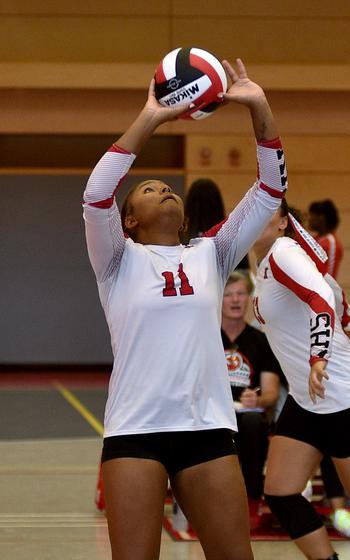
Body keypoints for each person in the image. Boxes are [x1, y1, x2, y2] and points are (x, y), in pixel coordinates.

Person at [83, 58, 287, 560]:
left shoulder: (211, 253)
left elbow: (269, 191)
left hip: (208, 430)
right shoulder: (116, 259)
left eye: (167, 185)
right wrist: (152, 116)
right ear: (129, 220)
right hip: (136, 431)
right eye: (149, 189)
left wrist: (258, 107)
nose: (164, 188)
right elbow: (96, 194)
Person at [252, 198, 350, 560]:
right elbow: (340, 304)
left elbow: (322, 296)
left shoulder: (284, 251)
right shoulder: (262, 267)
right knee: (280, 492)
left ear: (282, 223)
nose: (255, 218)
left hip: (338, 392)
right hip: (306, 399)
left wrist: (319, 357)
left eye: (266, 212)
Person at [221, 271, 284, 529]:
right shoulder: (205, 338)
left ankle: (252, 499)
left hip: (248, 414)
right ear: (218, 299)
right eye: (228, 295)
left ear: (249, 298)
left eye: (240, 293)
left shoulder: (261, 341)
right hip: (215, 414)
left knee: (252, 423)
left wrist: (257, 399)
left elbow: (270, 393)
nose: (235, 300)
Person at [182, 177, 250, 271]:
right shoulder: (231, 235)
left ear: (189, 204)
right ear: (218, 204)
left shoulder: (179, 237)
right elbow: (243, 273)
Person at [308, 199, 343, 279]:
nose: (309, 219)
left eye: (312, 215)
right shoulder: (313, 239)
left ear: (321, 217)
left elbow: (330, 276)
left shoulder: (330, 243)